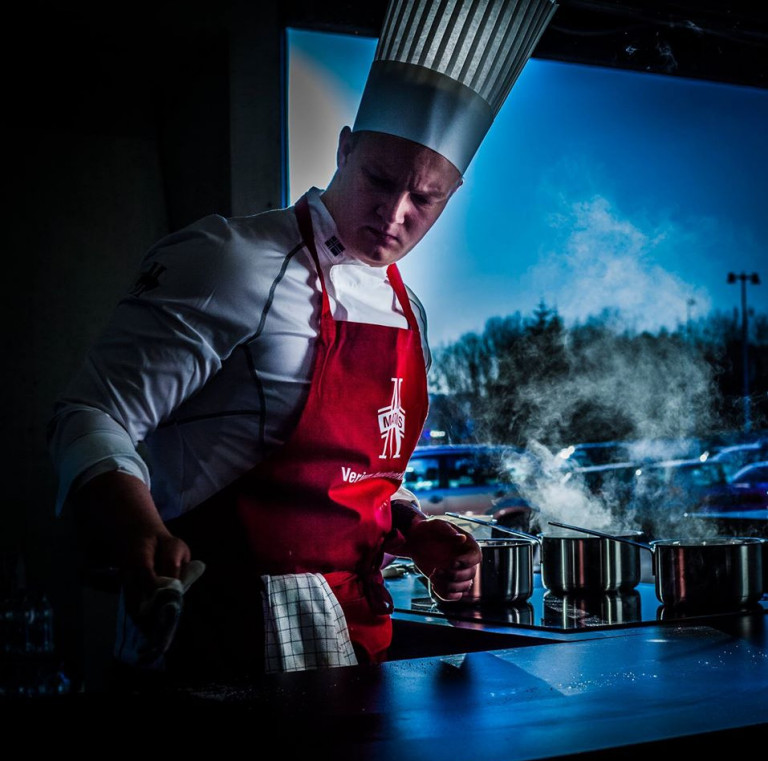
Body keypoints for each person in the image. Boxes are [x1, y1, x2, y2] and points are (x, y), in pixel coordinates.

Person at [48, 0, 557, 688]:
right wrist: (136, 527)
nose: (395, 214)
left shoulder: (413, 314)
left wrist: (412, 534)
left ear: (451, 195)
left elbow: (351, 485)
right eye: (379, 179)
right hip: (221, 635)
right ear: (345, 148)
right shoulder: (230, 260)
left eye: (425, 198)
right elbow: (89, 414)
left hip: (351, 644)